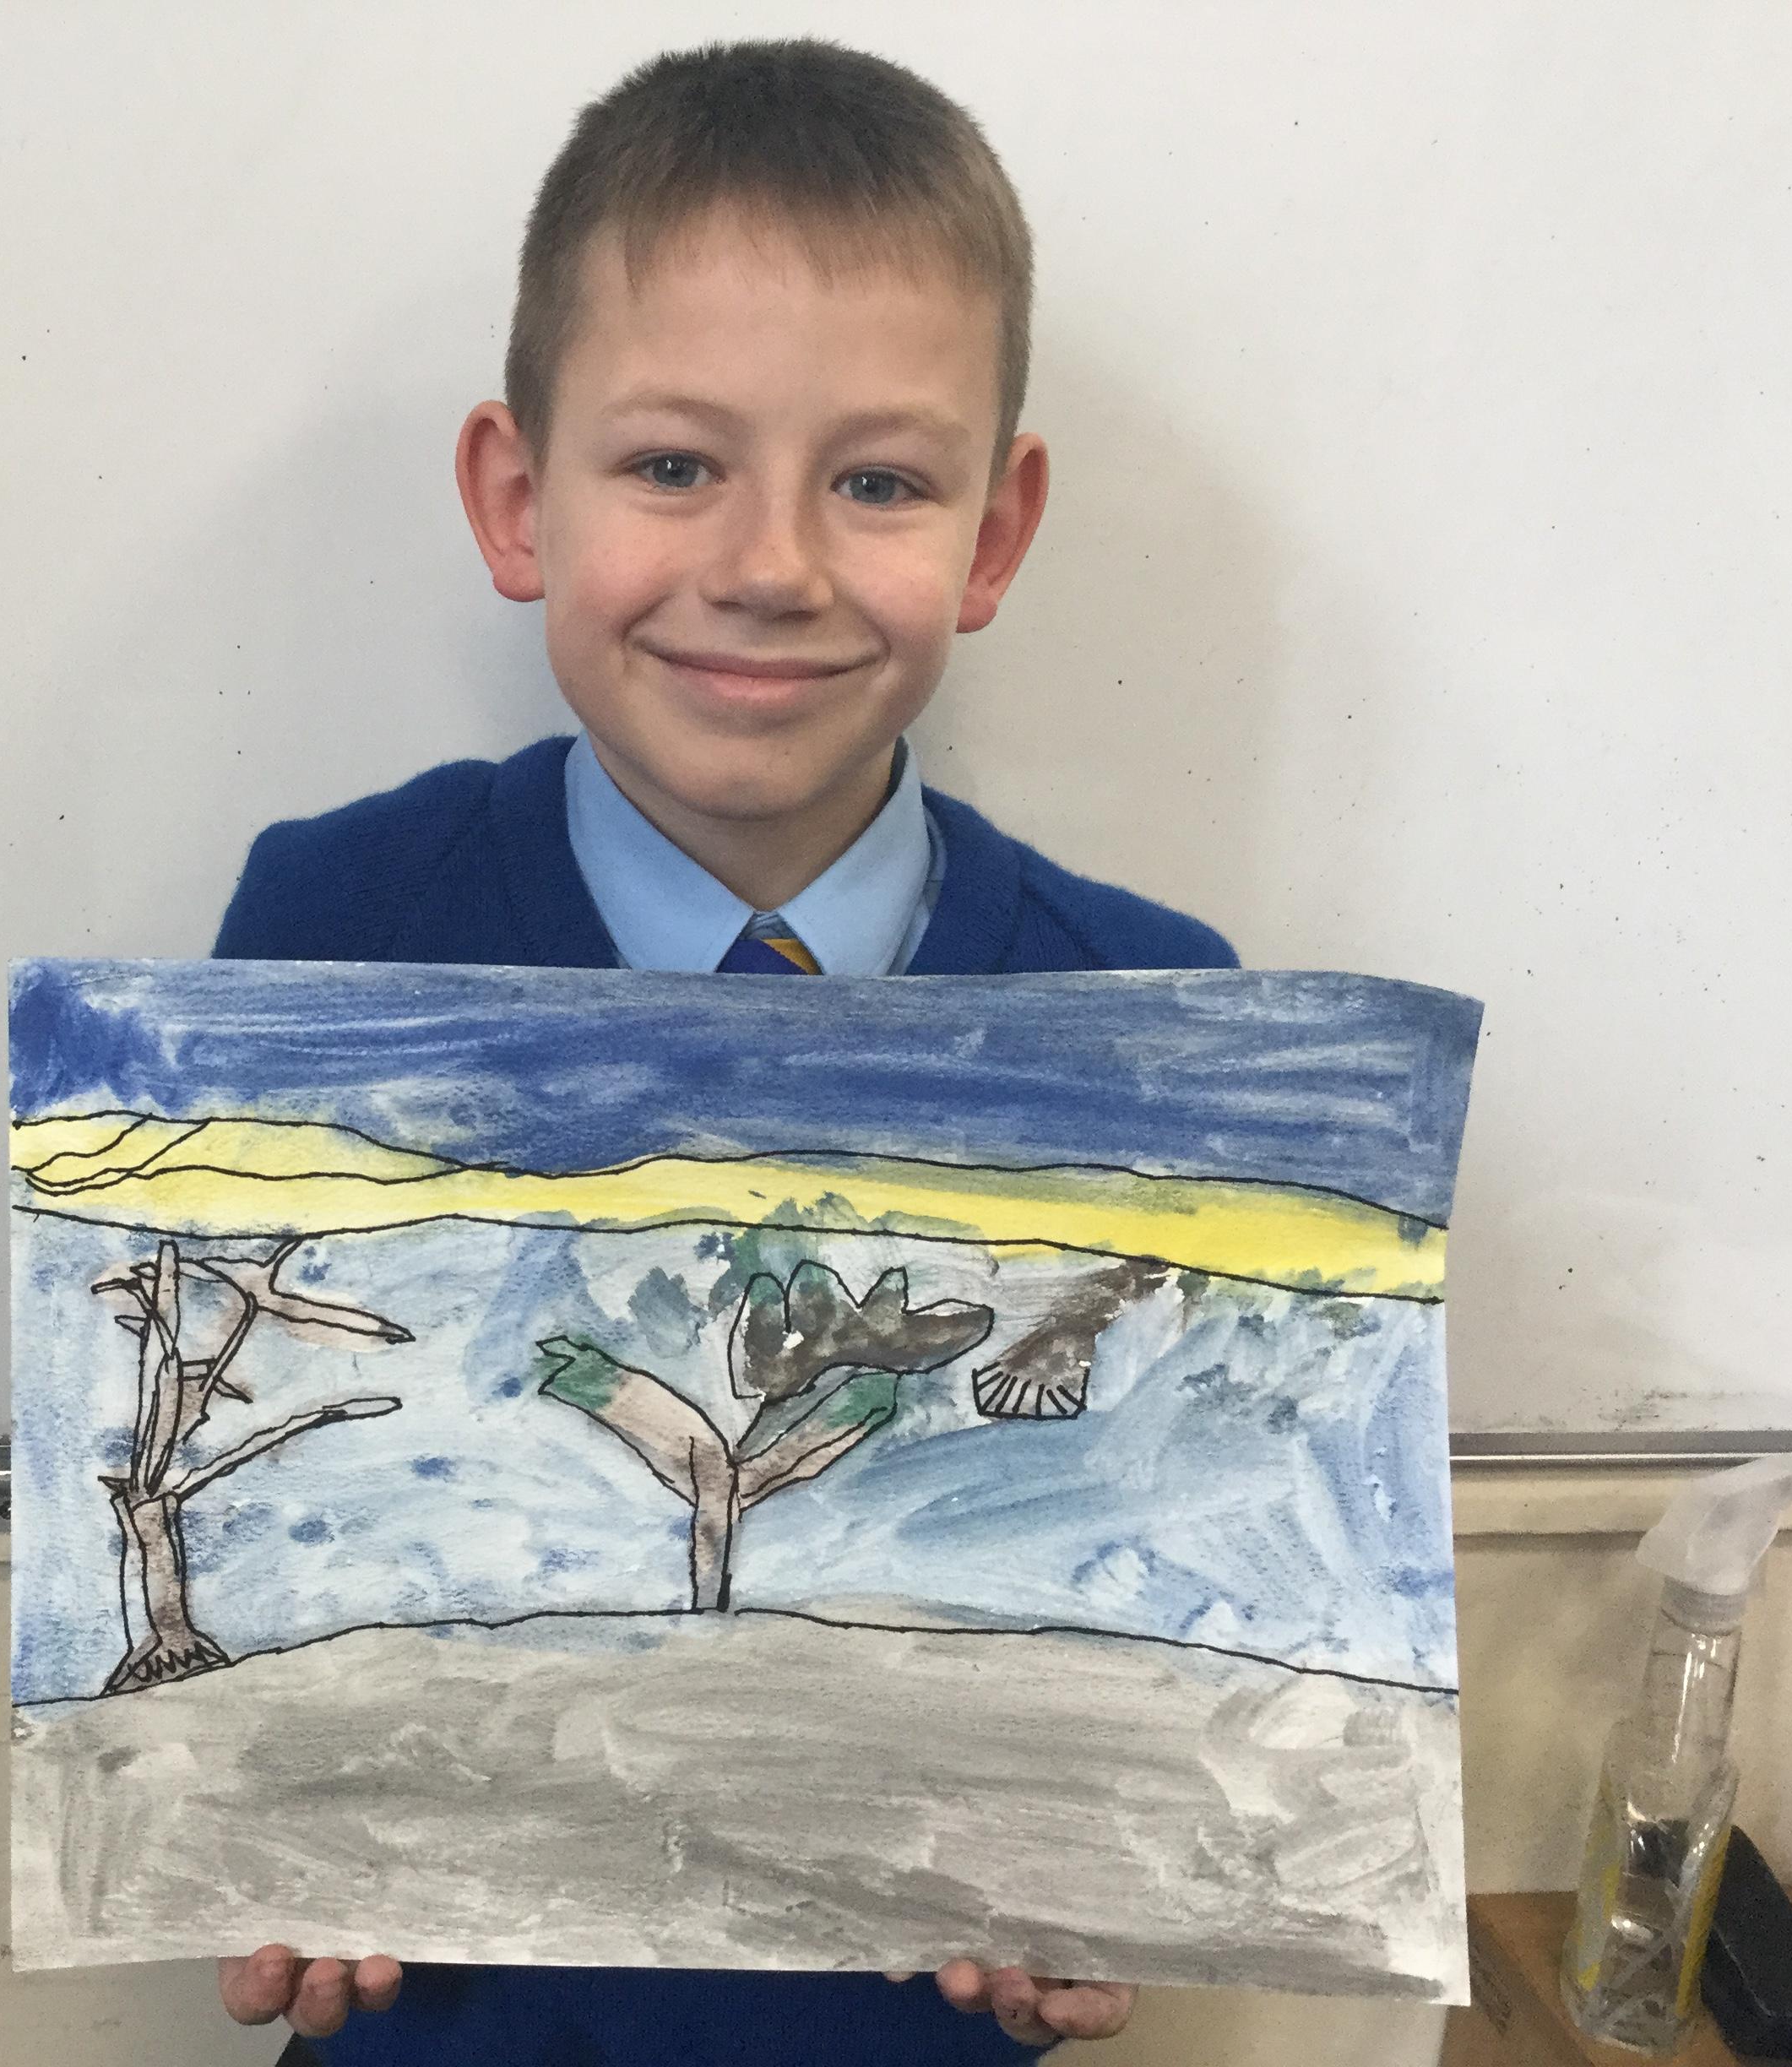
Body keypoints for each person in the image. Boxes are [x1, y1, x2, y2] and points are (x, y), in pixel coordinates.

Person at [207, 36, 1234, 2064]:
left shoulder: (1154, 1022)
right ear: (520, 498)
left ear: (994, 535)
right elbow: (263, 1548)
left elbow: (1144, 1634)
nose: (770, 565)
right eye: (675, 465)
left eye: (880, 482)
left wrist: (1113, 1872)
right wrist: (246, 1825)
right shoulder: (324, 929)